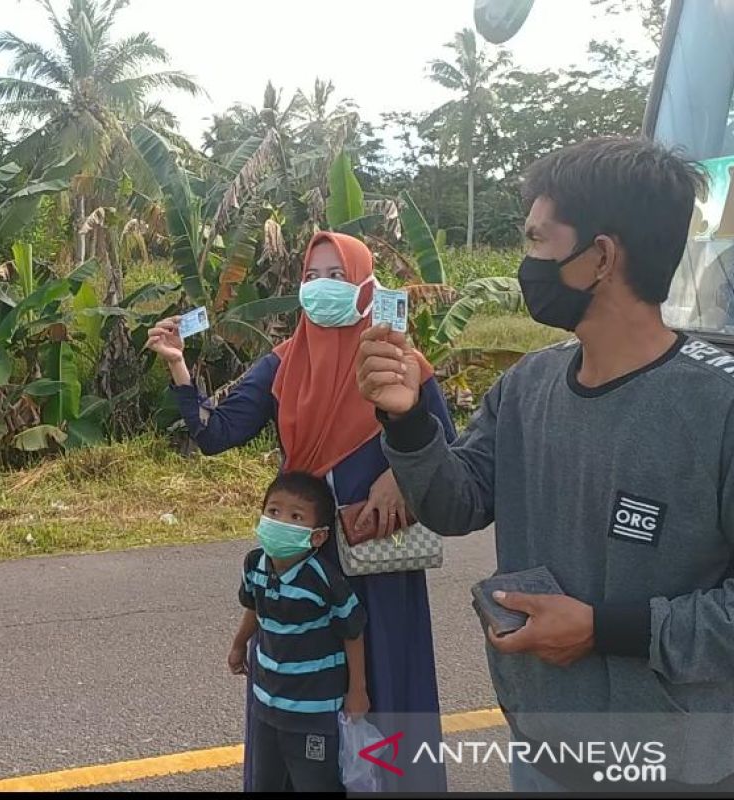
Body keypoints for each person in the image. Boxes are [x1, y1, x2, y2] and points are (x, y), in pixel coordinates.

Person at [356, 136, 734, 791]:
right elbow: (455, 503)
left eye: (536, 240)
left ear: (601, 257)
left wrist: (607, 631)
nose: (524, 262)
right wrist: (409, 419)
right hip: (544, 747)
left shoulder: (719, 407)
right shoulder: (529, 383)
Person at [148, 231, 455, 792]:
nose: (320, 287)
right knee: (296, 694)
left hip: (375, 558)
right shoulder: (284, 363)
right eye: (311, 276)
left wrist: (399, 476)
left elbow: (447, 450)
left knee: (380, 687)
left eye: (336, 276)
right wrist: (178, 368)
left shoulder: (397, 358)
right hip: (302, 557)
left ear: (365, 284)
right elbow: (216, 433)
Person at [229, 472, 367, 792]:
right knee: (266, 782)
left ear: (317, 537)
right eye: (273, 512)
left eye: (295, 516)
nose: (280, 522)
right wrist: (238, 645)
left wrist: (357, 690)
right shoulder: (254, 565)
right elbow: (254, 609)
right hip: (266, 703)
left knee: (315, 783)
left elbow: (353, 631)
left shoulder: (323, 580)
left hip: (313, 711)